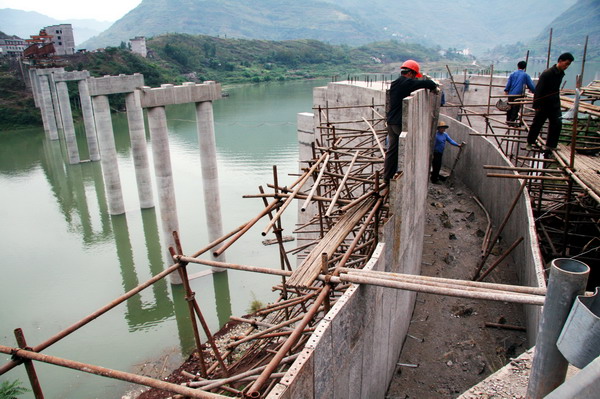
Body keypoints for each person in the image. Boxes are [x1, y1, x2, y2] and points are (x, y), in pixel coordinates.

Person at [384, 60, 438, 182]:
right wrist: (434, 87)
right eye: (414, 76)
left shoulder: (395, 83)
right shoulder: (407, 82)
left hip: (391, 122)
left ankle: (387, 178)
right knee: (405, 149)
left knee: (392, 151)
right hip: (399, 122)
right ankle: (400, 177)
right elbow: (428, 83)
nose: (415, 78)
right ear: (411, 73)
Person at [526, 52, 575, 151]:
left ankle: (551, 145)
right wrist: (536, 104)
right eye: (566, 64)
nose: (567, 66)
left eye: (568, 65)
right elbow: (538, 90)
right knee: (537, 123)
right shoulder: (547, 73)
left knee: (557, 123)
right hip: (543, 103)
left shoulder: (560, 73)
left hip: (554, 103)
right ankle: (530, 143)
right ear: (560, 61)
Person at [504, 60, 535, 125]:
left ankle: (508, 120)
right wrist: (534, 91)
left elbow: (508, 83)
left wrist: (506, 90)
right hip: (518, 94)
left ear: (518, 66)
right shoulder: (525, 75)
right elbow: (531, 85)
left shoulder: (512, 74)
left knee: (510, 107)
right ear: (524, 67)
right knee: (516, 108)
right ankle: (511, 121)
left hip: (511, 94)